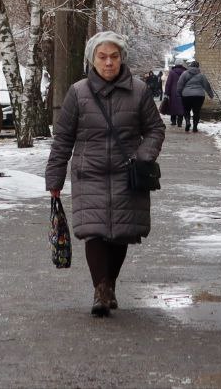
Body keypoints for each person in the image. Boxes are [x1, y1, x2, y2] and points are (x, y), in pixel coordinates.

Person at [44, 31, 166, 318]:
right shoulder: (78, 93)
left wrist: (143, 157)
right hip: (91, 173)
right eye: (102, 57)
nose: (108, 62)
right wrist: (55, 179)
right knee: (95, 232)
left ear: (121, 58)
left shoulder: (139, 91)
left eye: (114, 56)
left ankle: (108, 284)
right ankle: (101, 289)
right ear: (92, 60)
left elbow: (155, 130)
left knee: (121, 233)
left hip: (128, 174)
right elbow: (63, 138)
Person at [176, 60, 215, 132]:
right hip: (199, 96)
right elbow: (207, 85)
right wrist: (211, 95)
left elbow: (180, 84)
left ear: (190, 66)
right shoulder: (202, 75)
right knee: (196, 111)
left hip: (186, 95)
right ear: (198, 67)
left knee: (186, 110)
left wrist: (178, 93)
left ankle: (187, 122)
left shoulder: (184, 73)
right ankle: (195, 127)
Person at [161, 62, 188, 127]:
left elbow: (168, 83)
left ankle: (173, 121)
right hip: (182, 91)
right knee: (181, 106)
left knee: (173, 106)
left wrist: (166, 92)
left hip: (173, 91)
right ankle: (180, 122)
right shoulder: (185, 72)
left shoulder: (172, 72)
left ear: (175, 64)